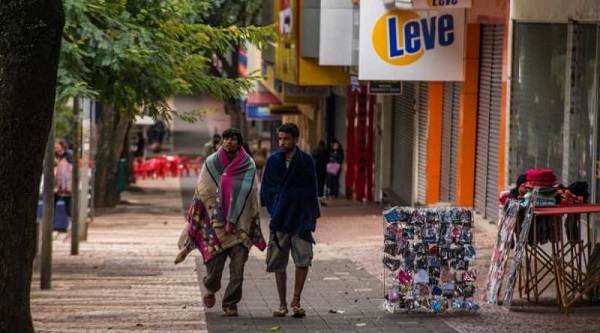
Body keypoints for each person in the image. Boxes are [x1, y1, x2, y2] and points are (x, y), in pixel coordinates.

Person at [175, 128, 266, 317]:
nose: (228, 142)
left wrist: (236, 215)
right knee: (214, 269)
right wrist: (210, 212)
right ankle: (210, 288)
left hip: (240, 225)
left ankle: (230, 303)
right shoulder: (211, 162)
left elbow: (250, 192)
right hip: (214, 224)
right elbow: (203, 190)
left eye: (233, 139)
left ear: (239, 143)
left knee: (238, 269)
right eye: (226, 139)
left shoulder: (248, 164)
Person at [260, 123, 320, 318]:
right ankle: (282, 303)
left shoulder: (306, 161)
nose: (282, 142)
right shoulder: (273, 162)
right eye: (280, 138)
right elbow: (266, 189)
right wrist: (277, 204)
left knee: (303, 260)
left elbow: (312, 190)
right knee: (278, 263)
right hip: (280, 218)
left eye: (286, 139)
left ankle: (296, 299)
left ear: (296, 139)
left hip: (301, 218)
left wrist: (310, 216)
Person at [54, 139, 73, 229]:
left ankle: (70, 222)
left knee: (67, 203)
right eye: (55, 147)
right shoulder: (54, 156)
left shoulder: (69, 156)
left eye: (57, 147)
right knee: (52, 201)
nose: (56, 149)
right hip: (56, 183)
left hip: (66, 183)